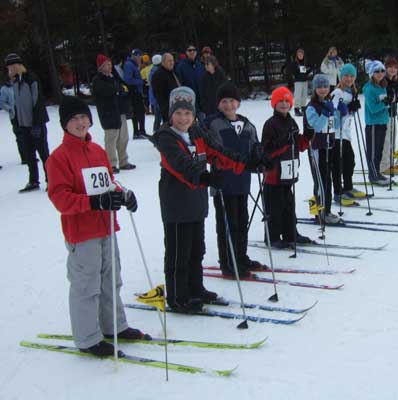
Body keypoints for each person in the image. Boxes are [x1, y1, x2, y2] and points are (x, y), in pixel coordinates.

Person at [46, 96, 148, 357]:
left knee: (111, 280)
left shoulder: (97, 151)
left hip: (106, 227)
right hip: (82, 232)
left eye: (83, 118)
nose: (81, 123)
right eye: (74, 119)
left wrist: (123, 194)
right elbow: (60, 198)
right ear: (64, 125)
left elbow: (109, 182)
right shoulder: (59, 158)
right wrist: (94, 202)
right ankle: (88, 338)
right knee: (86, 285)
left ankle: (114, 325)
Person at [153, 86, 257, 309]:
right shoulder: (166, 137)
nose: (183, 118)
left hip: (196, 201)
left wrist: (247, 163)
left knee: (196, 248)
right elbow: (181, 165)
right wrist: (206, 177)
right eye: (178, 113)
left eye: (188, 113)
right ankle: (178, 297)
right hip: (177, 202)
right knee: (179, 252)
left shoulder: (196, 134)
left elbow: (219, 153)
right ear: (171, 115)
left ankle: (195, 287)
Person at [205, 82, 272, 277]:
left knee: (242, 222)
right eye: (224, 101)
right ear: (218, 104)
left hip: (242, 182)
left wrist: (261, 159)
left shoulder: (247, 124)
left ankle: (241, 256)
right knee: (227, 224)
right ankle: (228, 262)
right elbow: (211, 149)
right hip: (222, 182)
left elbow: (255, 147)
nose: (228, 105)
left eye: (232, 101)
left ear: (238, 103)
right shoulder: (212, 123)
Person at [261, 86, 314, 248]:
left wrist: (307, 138)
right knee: (275, 207)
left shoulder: (291, 121)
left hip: (288, 173)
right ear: (274, 104)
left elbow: (297, 145)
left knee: (289, 205)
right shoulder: (270, 124)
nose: (284, 104)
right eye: (280, 101)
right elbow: (267, 150)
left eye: (286, 101)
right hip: (274, 175)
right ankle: (273, 236)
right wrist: (285, 142)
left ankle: (291, 233)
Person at [5, 53, 50, 192]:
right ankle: (33, 180)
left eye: (10, 67)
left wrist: (37, 123)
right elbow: (18, 104)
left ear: (16, 65)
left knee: (43, 153)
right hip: (23, 124)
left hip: (36, 123)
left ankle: (51, 179)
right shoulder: (15, 81)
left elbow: (37, 102)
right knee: (29, 154)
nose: (9, 70)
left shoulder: (31, 79)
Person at [306, 74, 342, 223]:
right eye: (319, 87)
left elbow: (336, 126)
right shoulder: (311, 107)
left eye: (325, 86)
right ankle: (318, 213)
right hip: (316, 147)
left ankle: (326, 210)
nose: (322, 89)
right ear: (314, 89)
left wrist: (341, 113)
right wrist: (325, 114)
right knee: (320, 182)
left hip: (328, 146)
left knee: (327, 181)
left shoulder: (328, 103)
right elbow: (316, 126)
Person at [92, 54, 136, 173]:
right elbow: (108, 91)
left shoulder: (113, 78)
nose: (110, 66)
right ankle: (111, 164)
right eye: (107, 65)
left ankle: (123, 161)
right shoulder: (98, 80)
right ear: (101, 67)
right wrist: (117, 89)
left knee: (123, 138)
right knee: (111, 139)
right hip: (108, 113)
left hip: (119, 111)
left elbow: (121, 88)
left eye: (110, 64)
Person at [330, 63, 365, 204]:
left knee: (349, 161)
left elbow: (348, 112)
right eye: (346, 75)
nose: (349, 78)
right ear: (341, 77)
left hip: (346, 132)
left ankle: (348, 188)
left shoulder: (352, 92)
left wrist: (352, 109)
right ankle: (338, 192)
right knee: (338, 163)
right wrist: (344, 109)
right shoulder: (337, 92)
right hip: (337, 133)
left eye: (352, 76)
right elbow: (331, 109)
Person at [363, 60, 392, 184]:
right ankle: (373, 175)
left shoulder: (382, 86)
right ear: (371, 73)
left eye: (382, 71)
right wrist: (385, 103)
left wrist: (390, 100)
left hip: (382, 122)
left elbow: (384, 104)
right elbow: (373, 108)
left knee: (379, 150)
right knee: (373, 152)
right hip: (373, 123)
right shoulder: (369, 89)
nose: (380, 74)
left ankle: (377, 173)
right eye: (377, 71)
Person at [380, 57, 398, 175]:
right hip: (386, 114)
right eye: (390, 67)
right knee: (386, 140)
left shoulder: (394, 81)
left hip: (393, 113)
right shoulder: (384, 81)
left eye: (395, 67)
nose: (392, 70)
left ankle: (390, 162)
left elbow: (396, 96)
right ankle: (384, 165)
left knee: (393, 138)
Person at [0, 72, 26, 163]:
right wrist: (10, 109)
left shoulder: (18, 86)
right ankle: (24, 157)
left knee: (27, 135)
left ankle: (30, 156)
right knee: (20, 137)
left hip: (23, 114)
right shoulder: (4, 89)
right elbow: (2, 103)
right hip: (14, 116)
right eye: (11, 78)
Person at [123, 49, 147, 138]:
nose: (140, 58)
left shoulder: (133, 64)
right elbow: (128, 80)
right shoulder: (129, 65)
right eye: (139, 56)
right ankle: (139, 132)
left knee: (139, 111)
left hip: (136, 91)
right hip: (134, 92)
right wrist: (140, 82)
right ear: (135, 56)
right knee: (138, 111)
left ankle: (140, 131)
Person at [151, 53, 181, 123]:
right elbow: (158, 94)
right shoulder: (158, 75)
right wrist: (166, 108)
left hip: (178, 106)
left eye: (172, 60)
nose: (172, 63)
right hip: (168, 109)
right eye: (169, 61)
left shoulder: (173, 72)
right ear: (163, 62)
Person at [176, 45, 205, 110]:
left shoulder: (200, 65)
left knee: (203, 119)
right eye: (190, 50)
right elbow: (179, 84)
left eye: (194, 50)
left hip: (201, 101)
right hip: (188, 100)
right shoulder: (181, 66)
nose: (192, 52)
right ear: (186, 52)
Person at [291, 48, 311, 116]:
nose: (300, 56)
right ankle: (296, 109)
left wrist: (307, 72)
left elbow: (309, 69)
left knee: (304, 95)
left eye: (301, 54)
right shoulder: (295, 63)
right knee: (298, 95)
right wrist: (297, 74)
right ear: (297, 55)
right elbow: (293, 71)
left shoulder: (305, 62)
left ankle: (303, 107)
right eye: (299, 54)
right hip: (298, 81)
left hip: (304, 81)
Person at [148, 54, 162, 133]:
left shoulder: (152, 70)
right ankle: (157, 132)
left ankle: (156, 131)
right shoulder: (157, 72)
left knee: (158, 117)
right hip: (158, 98)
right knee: (159, 117)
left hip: (154, 98)